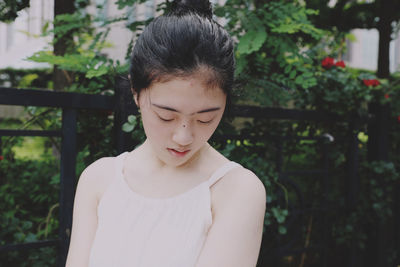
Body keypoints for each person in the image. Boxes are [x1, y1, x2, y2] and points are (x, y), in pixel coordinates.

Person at [65, 0, 266, 266]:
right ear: (136, 92)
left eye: (205, 118)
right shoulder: (100, 179)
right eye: (166, 116)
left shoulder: (236, 190)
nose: (183, 137)